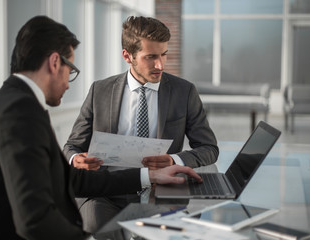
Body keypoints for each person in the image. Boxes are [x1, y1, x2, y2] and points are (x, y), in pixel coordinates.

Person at [0, 15, 203, 240]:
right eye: (71, 72)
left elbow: (70, 180)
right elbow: (34, 219)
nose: (69, 85)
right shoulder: (19, 113)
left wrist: (148, 175)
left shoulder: (13, 102)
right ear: (54, 63)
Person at [63, 16, 219, 233]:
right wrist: (76, 159)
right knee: (98, 226)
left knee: (166, 229)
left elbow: (209, 148)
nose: (160, 65)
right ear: (128, 55)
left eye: (164, 54)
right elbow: (72, 146)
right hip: (108, 191)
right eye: (151, 57)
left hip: (162, 188)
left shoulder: (184, 92)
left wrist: (173, 159)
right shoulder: (100, 91)